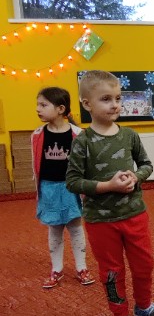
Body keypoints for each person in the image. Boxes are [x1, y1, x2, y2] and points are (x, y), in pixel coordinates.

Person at [66, 70, 154, 316]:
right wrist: (108, 186)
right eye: (106, 99)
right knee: (112, 272)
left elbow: (147, 165)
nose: (115, 104)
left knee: (144, 264)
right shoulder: (82, 142)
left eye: (118, 98)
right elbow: (73, 182)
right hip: (101, 221)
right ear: (87, 104)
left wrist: (136, 177)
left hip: (135, 214)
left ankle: (144, 306)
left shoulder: (129, 135)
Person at [32, 87, 94, 289]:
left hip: (71, 189)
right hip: (49, 189)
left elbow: (86, 165)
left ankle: (82, 268)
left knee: (75, 227)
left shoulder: (78, 134)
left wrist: (86, 190)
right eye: (38, 104)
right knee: (55, 229)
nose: (38, 109)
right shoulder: (37, 135)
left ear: (60, 109)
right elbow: (37, 165)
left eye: (43, 105)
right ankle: (56, 269)